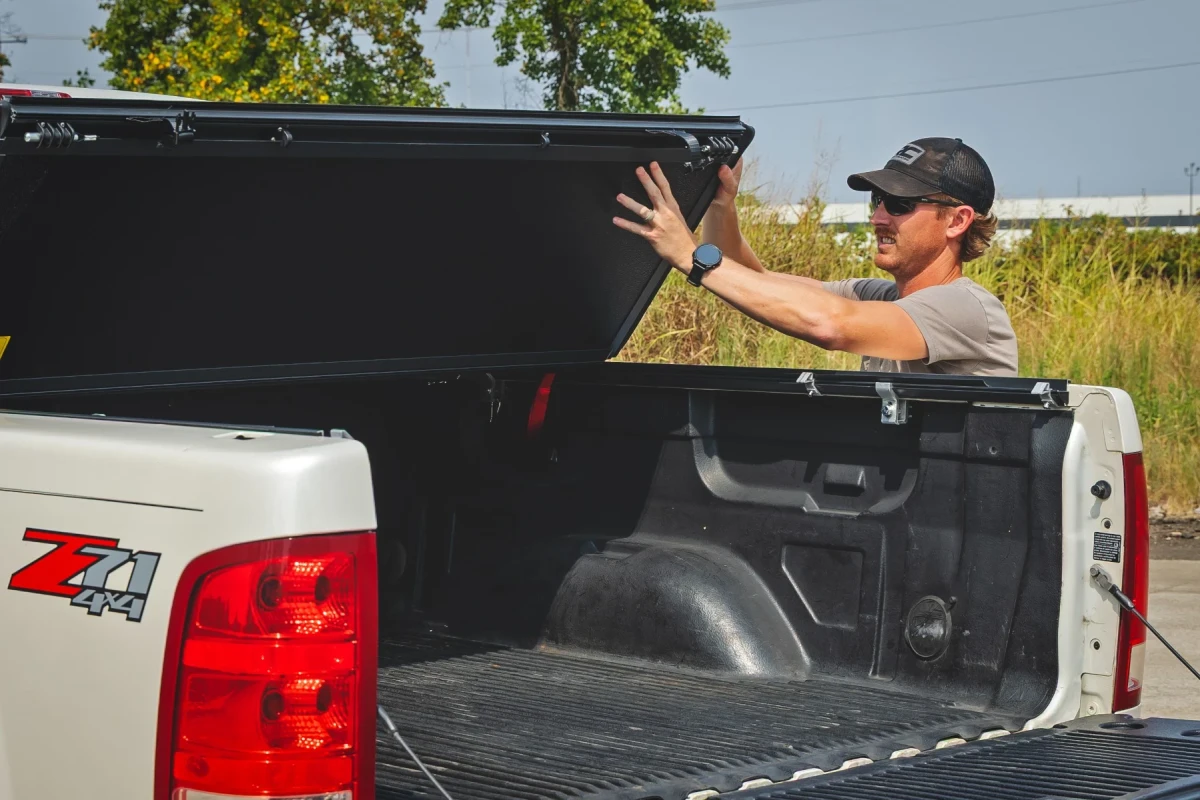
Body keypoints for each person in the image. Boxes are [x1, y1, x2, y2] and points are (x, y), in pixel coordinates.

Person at [612, 137, 1017, 376]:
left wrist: (689, 255)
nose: (876, 217)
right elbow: (760, 282)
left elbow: (831, 325)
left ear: (957, 220)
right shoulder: (880, 299)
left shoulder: (967, 308)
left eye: (899, 204)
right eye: (878, 200)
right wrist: (721, 204)